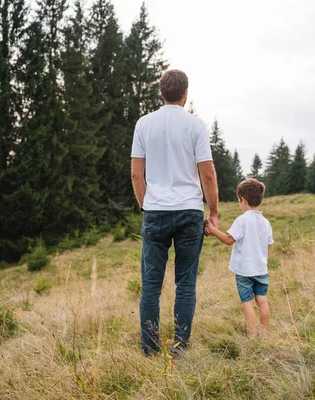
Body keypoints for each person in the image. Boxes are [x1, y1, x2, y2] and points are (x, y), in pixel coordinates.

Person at [131, 69, 219, 355]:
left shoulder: (144, 124)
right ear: (185, 94)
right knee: (185, 284)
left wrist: (146, 206)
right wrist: (214, 211)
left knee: (151, 286)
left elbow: (136, 174)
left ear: (161, 92)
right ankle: (180, 346)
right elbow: (207, 175)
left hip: (155, 211)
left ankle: (150, 348)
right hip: (189, 212)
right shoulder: (196, 126)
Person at [205, 179, 273, 336]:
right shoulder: (266, 222)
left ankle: (251, 335)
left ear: (243, 200)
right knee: (262, 300)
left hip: (244, 271)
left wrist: (213, 230)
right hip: (261, 269)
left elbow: (229, 240)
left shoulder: (242, 220)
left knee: (247, 302)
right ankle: (264, 335)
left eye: (239, 200)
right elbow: (268, 246)